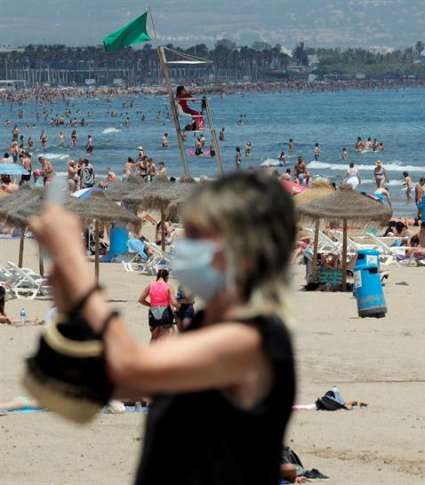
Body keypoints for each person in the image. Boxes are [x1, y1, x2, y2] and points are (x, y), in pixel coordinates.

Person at [30, 171, 298, 485]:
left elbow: (128, 369)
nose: (183, 242)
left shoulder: (252, 341)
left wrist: (72, 259)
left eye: (198, 235)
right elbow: (91, 382)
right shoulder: (201, 328)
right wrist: (67, 292)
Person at [138, 269, 179, 342]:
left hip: (153, 311)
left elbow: (141, 300)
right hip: (165, 311)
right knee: (165, 337)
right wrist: (180, 307)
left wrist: (151, 305)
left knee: (154, 337)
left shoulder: (150, 285)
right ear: (166, 277)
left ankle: (151, 352)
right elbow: (173, 302)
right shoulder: (168, 286)